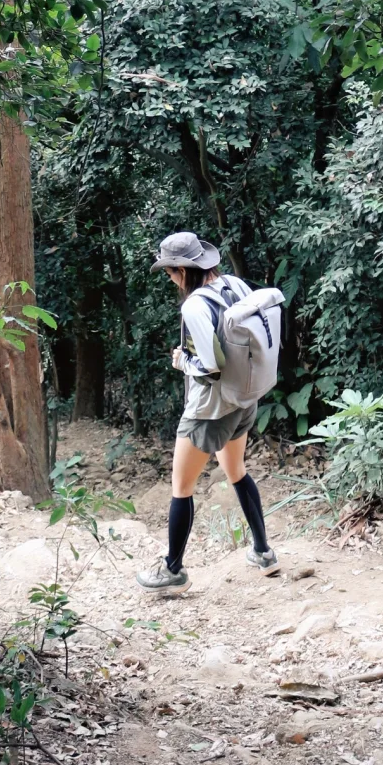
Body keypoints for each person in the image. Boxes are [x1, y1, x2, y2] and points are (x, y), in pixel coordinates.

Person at [136, 230, 279, 590]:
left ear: (183, 270)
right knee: (236, 470)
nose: (170, 279)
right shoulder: (236, 286)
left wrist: (182, 361)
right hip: (244, 400)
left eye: (170, 272)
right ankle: (263, 552)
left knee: (181, 487)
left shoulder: (194, 306)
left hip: (208, 410)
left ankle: (173, 571)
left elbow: (211, 364)